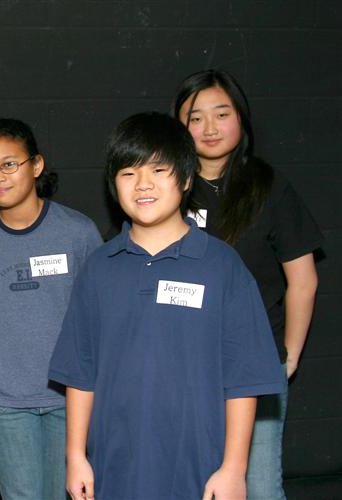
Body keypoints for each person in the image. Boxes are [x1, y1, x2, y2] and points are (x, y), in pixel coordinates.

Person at [48, 112, 287, 500]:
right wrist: (75, 456)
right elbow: (80, 372)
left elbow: (243, 378)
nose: (143, 183)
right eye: (128, 173)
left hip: (199, 469)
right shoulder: (98, 268)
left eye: (159, 169)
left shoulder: (223, 266)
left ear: (187, 178)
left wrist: (233, 469)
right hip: (114, 468)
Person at [173, 69, 324, 499]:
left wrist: (287, 358)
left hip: (255, 363)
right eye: (195, 117)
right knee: (189, 482)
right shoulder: (166, 186)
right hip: (183, 365)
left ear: (241, 117)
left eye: (222, 114)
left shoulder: (268, 187)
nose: (210, 127)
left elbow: (303, 280)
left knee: (257, 486)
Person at [0, 118, 102, 499]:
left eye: (9, 164)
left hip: (69, 398)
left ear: (36, 165)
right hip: (6, 400)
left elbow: (98, 316)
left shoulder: (78, 231)